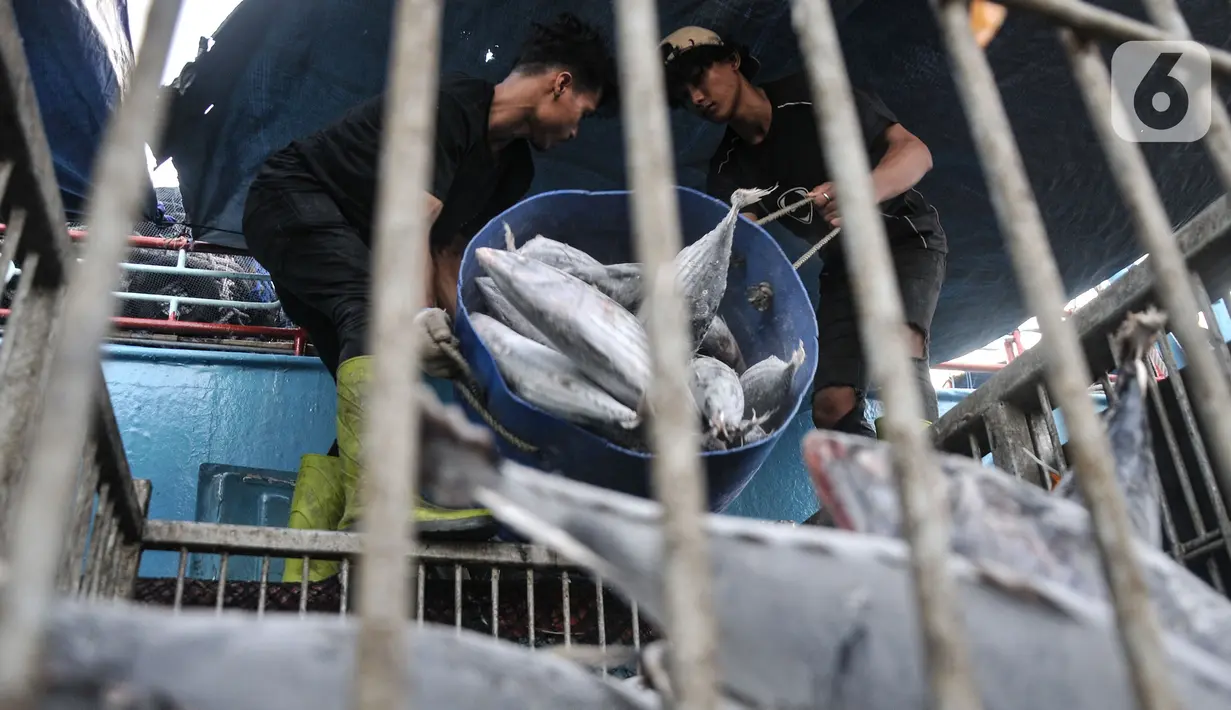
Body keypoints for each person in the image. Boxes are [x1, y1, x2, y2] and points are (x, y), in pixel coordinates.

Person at [243, 12, 618, 552]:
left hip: (351, 243)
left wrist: (470, 350)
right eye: (582, 113)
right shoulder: (452, 107)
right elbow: (410, 220)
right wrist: (418, 318)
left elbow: (446, 255)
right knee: (376, 321)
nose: (576, 130)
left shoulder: (514, 170)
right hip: (292, 200)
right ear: (560, 84)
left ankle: (311, 562)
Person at [659, 27, 945, 439]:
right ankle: (870, 490)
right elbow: (743, 245)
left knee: (898, 344)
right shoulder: (727, 172)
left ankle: (922, 469)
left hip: (904, 237)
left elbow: (915, 151)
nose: (697, 98)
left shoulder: (812, 96)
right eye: (685, 95)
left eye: (699, 78)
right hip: (844, 268)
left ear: (733, 61)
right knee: (830, 408)